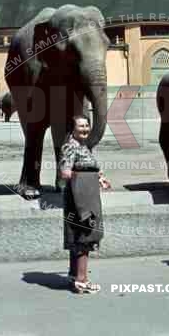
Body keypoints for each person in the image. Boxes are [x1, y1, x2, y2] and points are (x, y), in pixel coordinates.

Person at [59, 115, 111, 294]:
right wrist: (86, 178)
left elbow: (89, 168)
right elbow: (65, 172)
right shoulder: (70, 146)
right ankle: (82, 280)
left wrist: (99, 178)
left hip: (86, 195)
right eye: (81, 126)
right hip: (78, 199)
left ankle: (74, 276)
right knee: (84, 236)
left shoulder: (83, 146)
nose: (85, 129)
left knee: (79, 236)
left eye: (87, 125)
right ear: (72, 129)